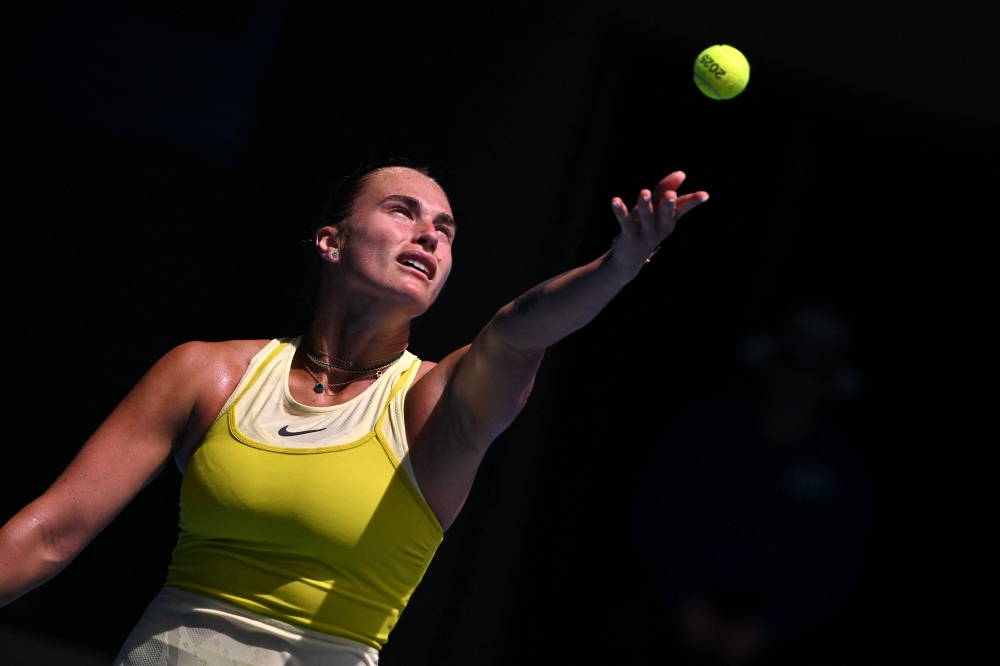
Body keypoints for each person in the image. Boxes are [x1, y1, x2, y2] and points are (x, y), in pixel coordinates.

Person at [0, 159, 708, 665]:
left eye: (446, 230)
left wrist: (619, 264)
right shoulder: (205, 373)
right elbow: (48, 535)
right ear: (331, 241)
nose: (430, 235)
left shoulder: (438, 403)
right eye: (403, 211)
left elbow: (518, 330)